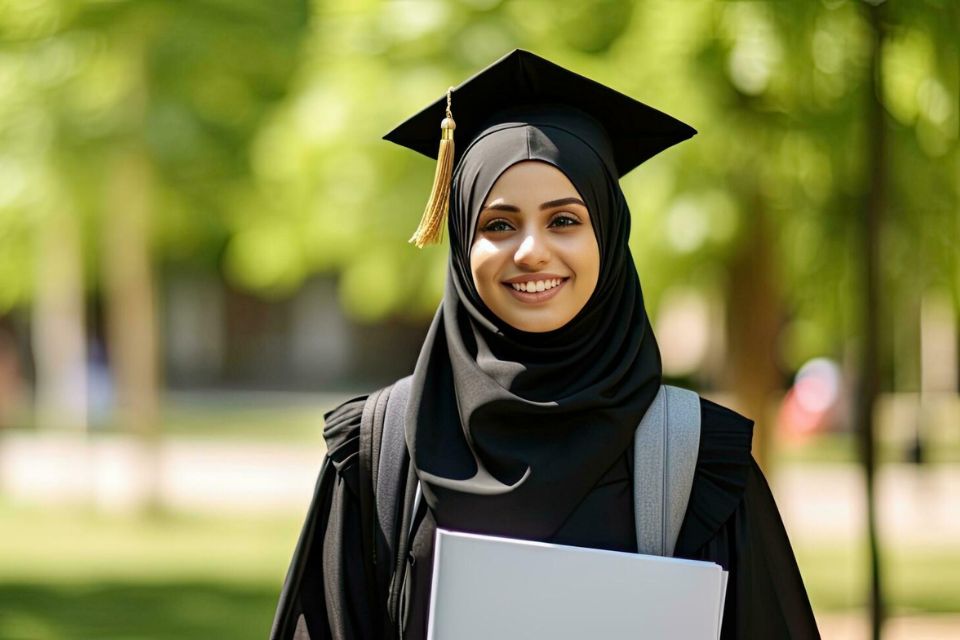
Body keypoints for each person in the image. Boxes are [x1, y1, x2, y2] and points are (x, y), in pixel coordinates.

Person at [270, 49, 820, 640]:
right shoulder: (382, 452)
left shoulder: (697, 461)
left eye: (564, 221)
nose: (531, 250)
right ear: (459, 244)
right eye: (498, 225)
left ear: (608, 234)